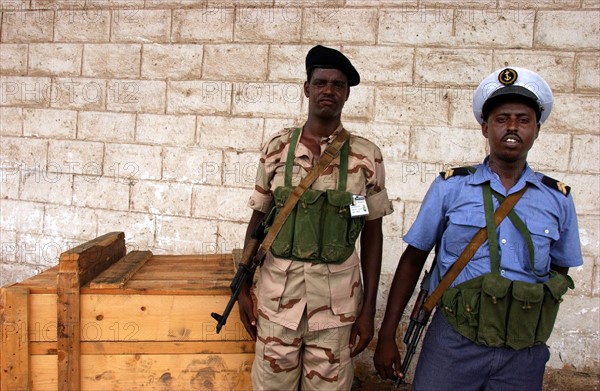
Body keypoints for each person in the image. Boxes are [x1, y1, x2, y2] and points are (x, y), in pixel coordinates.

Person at [373, 67, 583, 391]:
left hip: (522, 348)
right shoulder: (450, 188)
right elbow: (413, 258)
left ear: (537, 129)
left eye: (523, 119)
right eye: (501, 118)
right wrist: (387, 335)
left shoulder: (558, 200)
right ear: (485, 127)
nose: (512, 127)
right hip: (454, 339)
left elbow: (558, 270)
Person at [237, 45, 393, 390]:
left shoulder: (367, 158)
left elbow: (372, 234)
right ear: (306, 88)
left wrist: (368, 309)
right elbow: (258, 219)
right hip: (278, 301)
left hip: (336, 311)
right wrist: (243, 285)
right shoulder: (276, 149)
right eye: (320, 82)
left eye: (338, 85)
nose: (328, 90)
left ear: (347, 94)